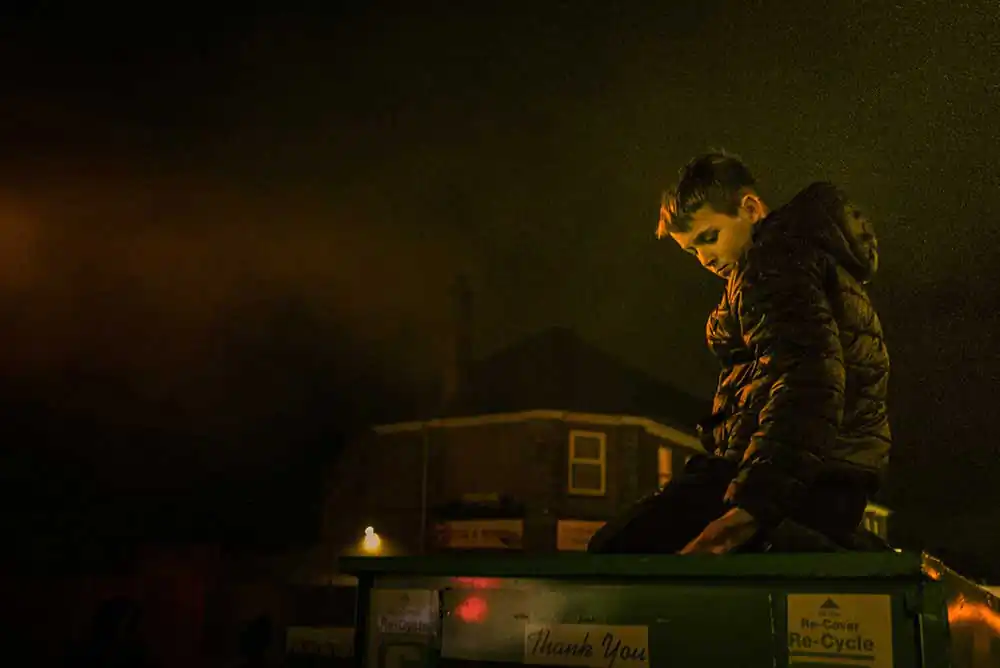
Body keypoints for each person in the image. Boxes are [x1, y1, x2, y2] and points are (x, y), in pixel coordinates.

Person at [588, 151, 891, 555]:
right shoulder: (812, 262)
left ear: (750, 208)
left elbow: (807, 385)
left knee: (616, 549)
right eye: (691, 250)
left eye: (709, 237)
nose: (705, 259)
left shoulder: (771, 265)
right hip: (833, 478)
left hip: (795, 479)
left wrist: (750, 510)